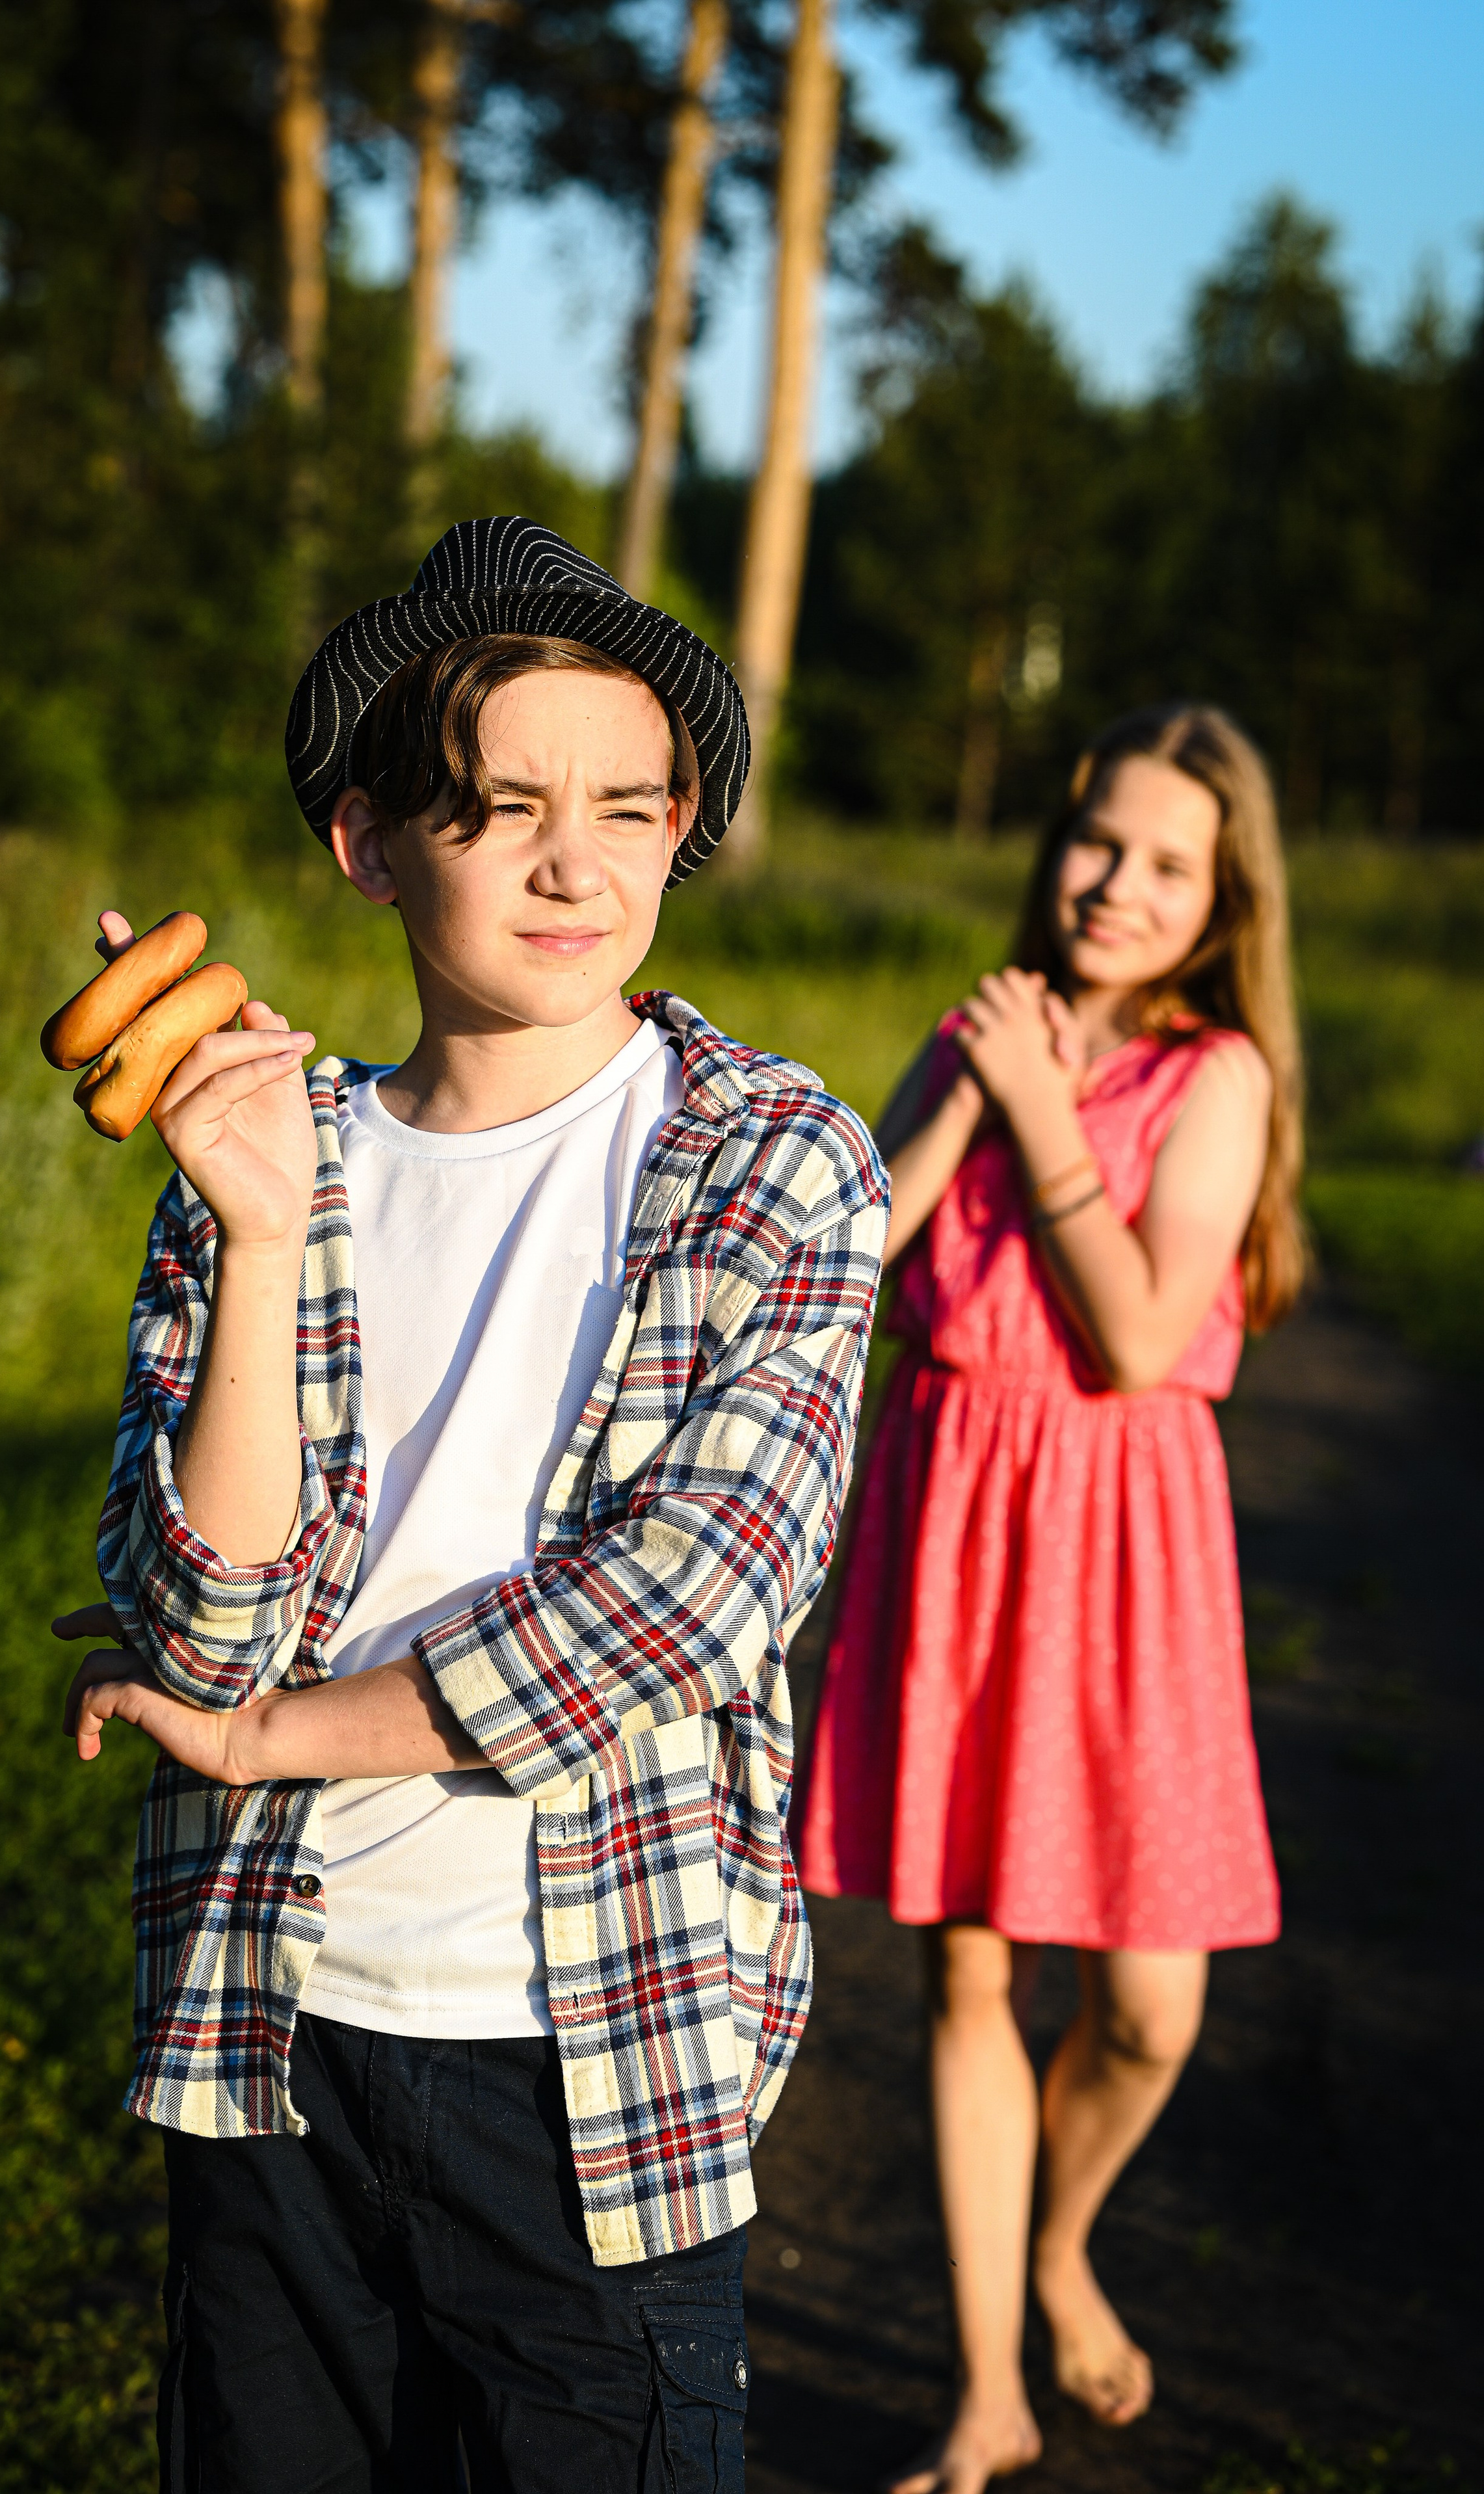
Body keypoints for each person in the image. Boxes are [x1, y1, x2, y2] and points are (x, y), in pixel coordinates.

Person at [52, 516, 888, 2494]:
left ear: (684, 822)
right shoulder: (267, 1153)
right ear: (367, 840)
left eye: (625, 803)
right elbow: (193, 1618)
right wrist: (257, 1235)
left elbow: (690, 1602)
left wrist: (269, 1737)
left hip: (595, 2052)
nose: (573, 863)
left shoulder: (774, 1159)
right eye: (501, 804)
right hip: (270, 2026)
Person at [795, 704, 1306, 2494]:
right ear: (1058, 840)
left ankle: (1059, 2231)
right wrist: (966, 1086)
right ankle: (989, 2384)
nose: (1118, 881)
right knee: (972, 1980)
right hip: (958, 1515)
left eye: (1170, 862)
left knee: (1153, 2003)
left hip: (1125, 1548)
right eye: (1100, 839)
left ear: (1224, 895)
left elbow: (1148, 1331)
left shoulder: (1217, 1073)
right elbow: (852, 1255)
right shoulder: (979, 1026)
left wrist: (1041, 1110)